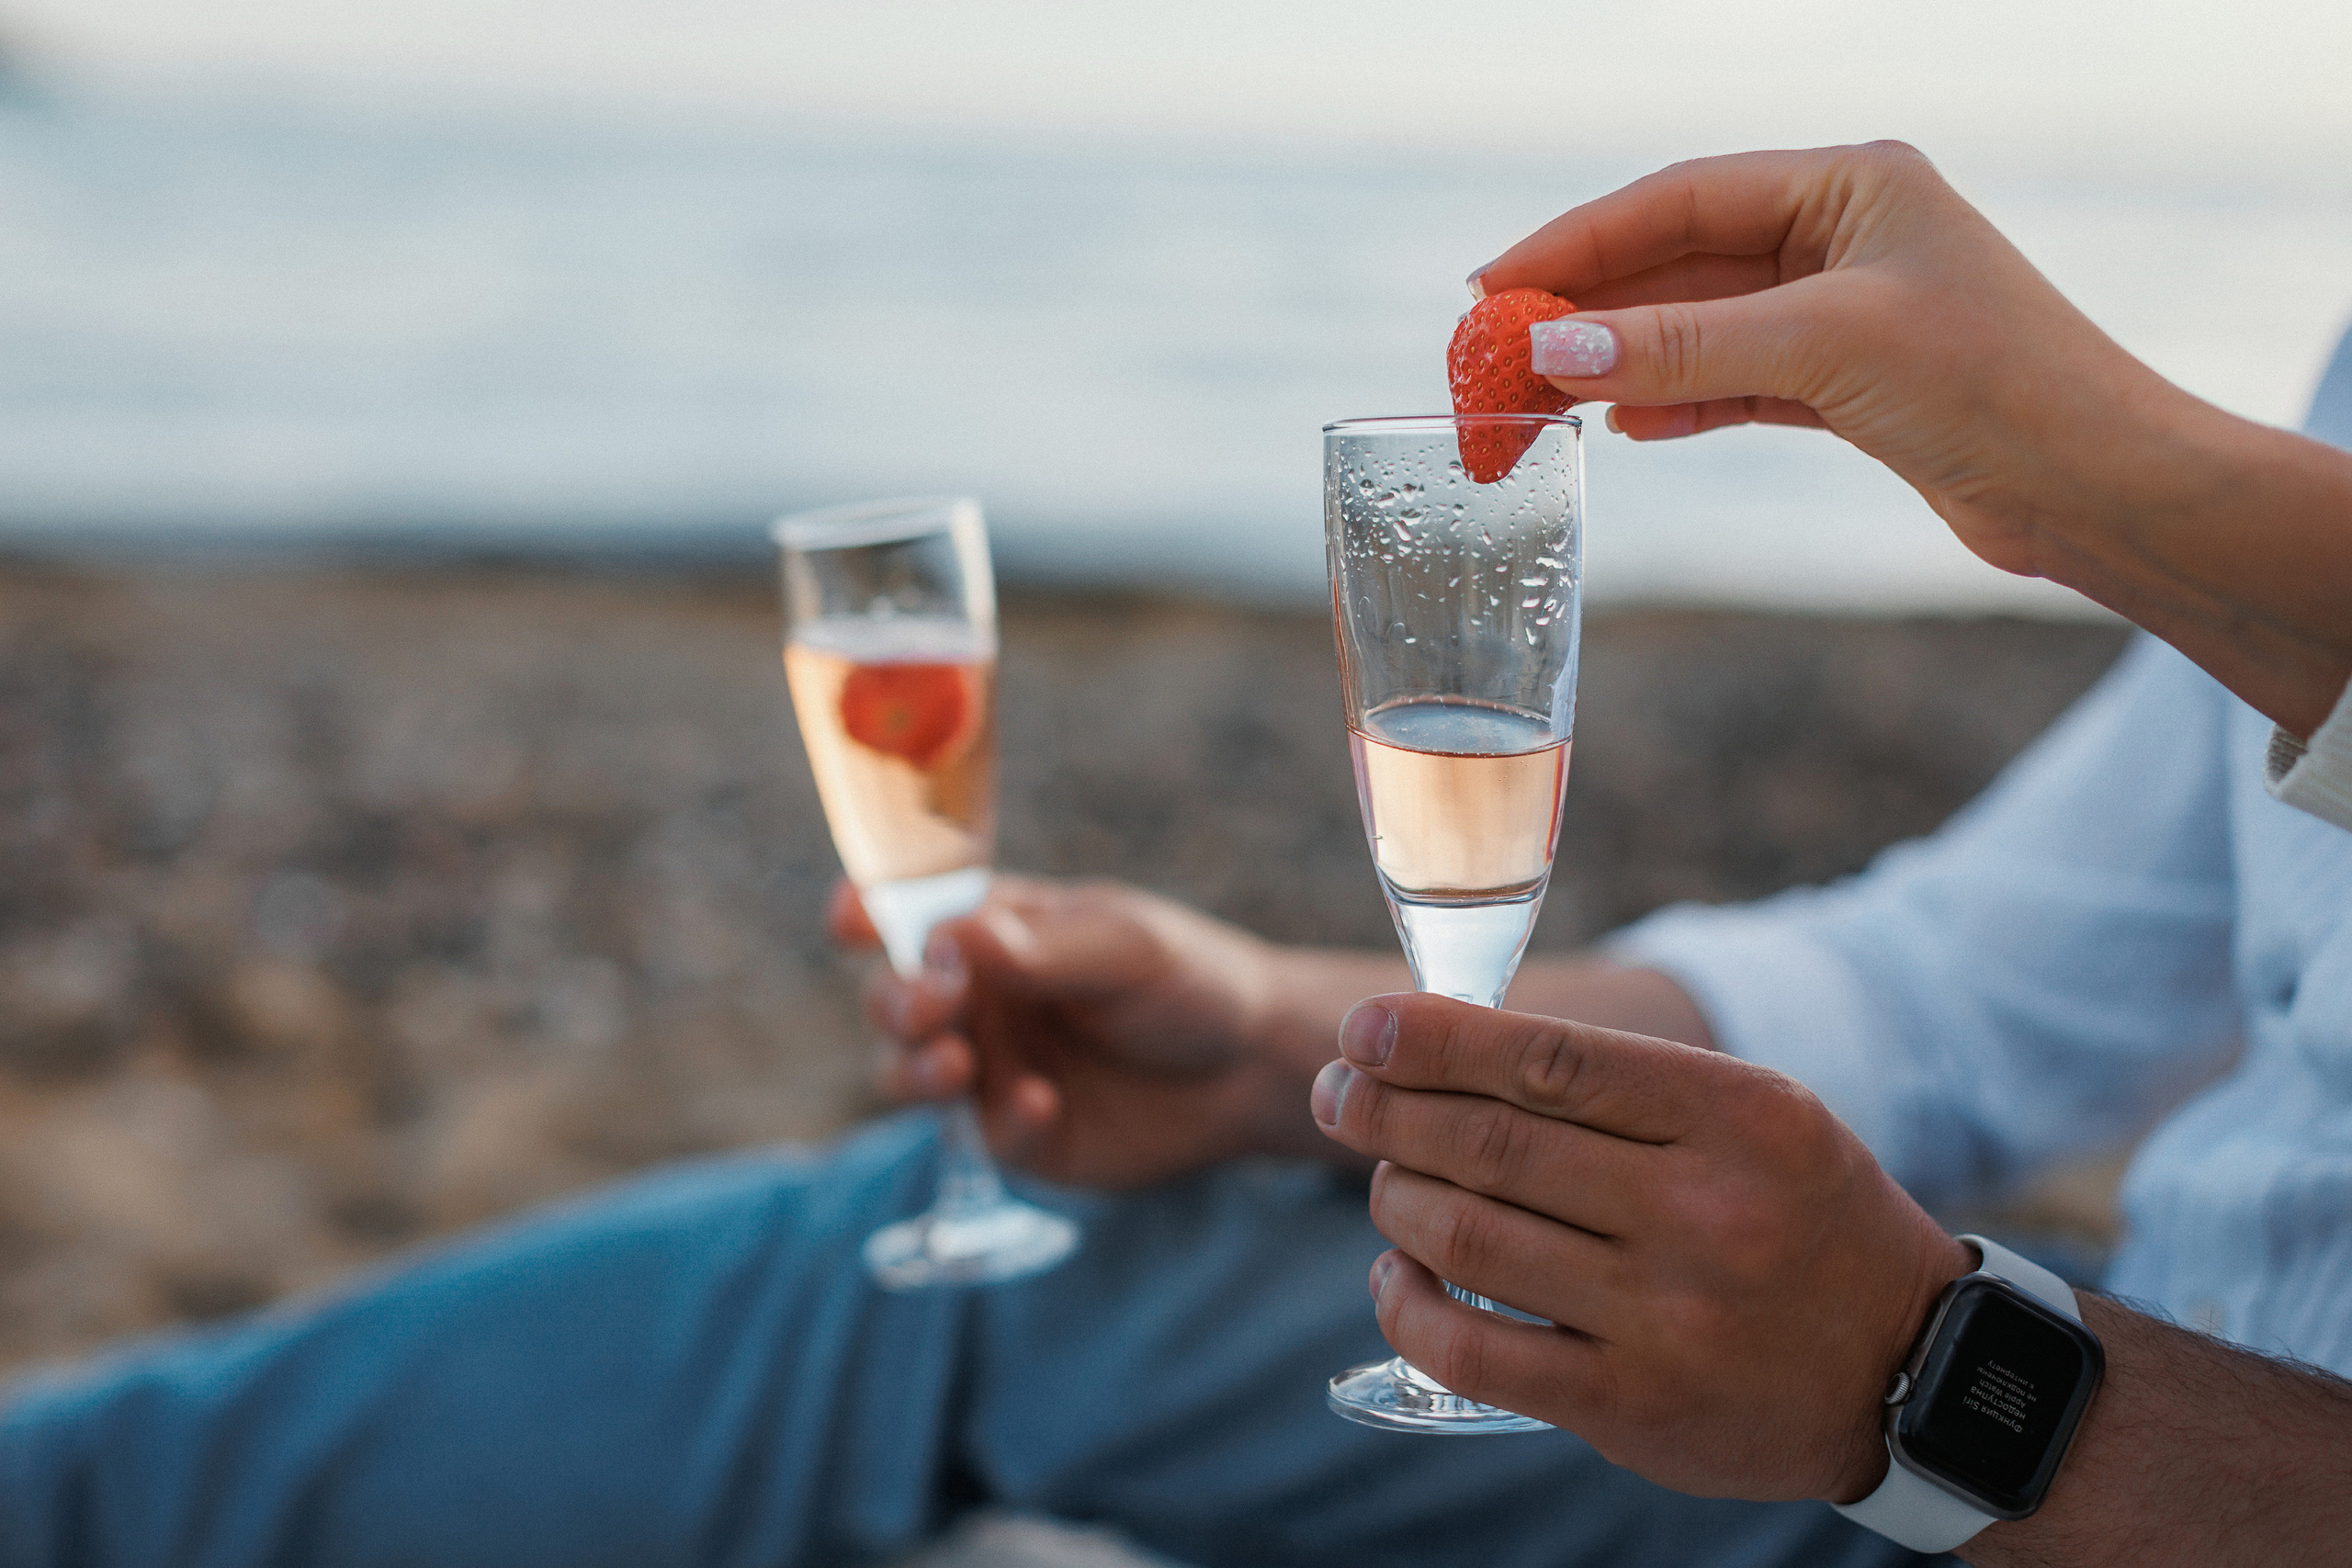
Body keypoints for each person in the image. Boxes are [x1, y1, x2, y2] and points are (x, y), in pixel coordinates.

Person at [4, 142, 2350, 1568]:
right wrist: (1261, 1029)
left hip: (2081, 1457)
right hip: (2031, 1383)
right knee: (948, 1252)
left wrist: (1942, 1385)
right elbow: (1936, 995)